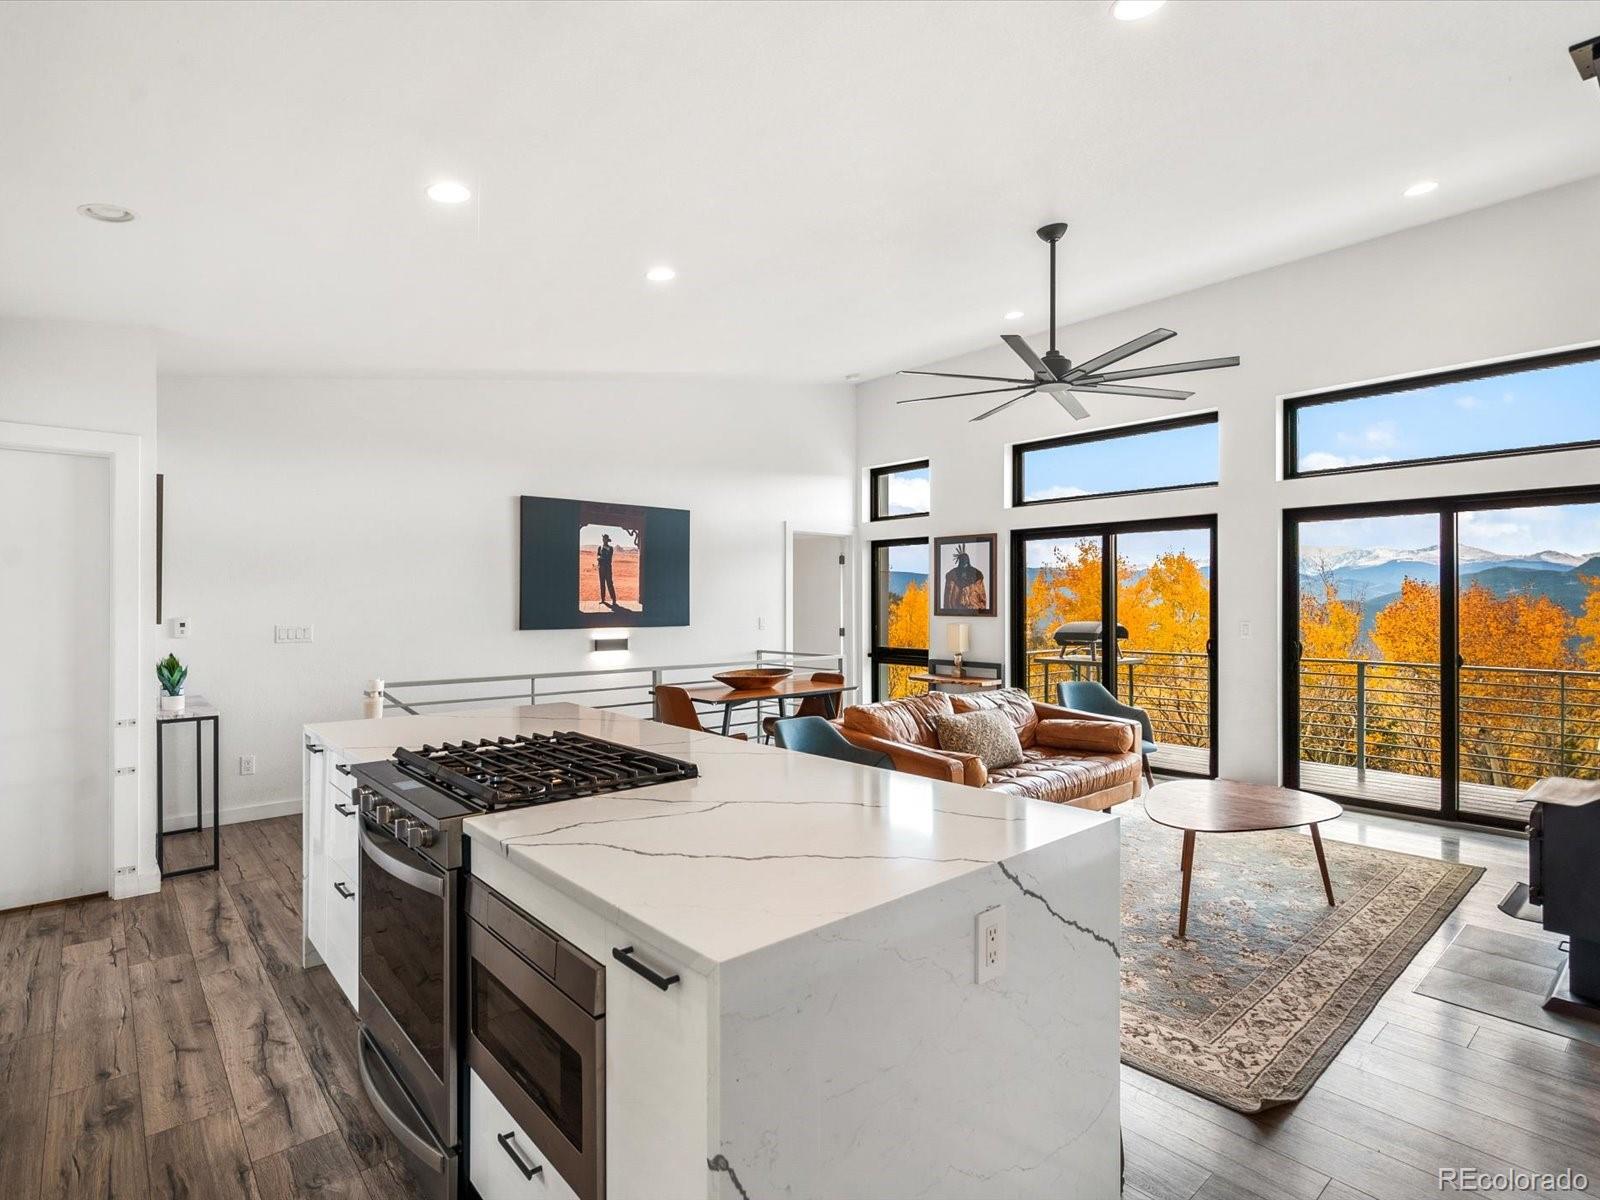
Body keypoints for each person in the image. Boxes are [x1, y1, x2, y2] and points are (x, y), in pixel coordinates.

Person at [597, 533, 617, 606]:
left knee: (609, 584)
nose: (603, 540)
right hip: (601, 568)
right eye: (603, 538)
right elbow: (598, 555)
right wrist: (599, 558)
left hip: (608, 568)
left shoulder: (610, 548)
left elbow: (609, 559)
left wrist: (601, 558)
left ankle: (614, 599)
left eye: (605, 539)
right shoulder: (600, 547)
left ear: (607, 540)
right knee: (602, 584)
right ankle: (603, 599)